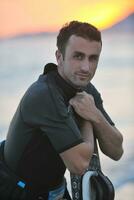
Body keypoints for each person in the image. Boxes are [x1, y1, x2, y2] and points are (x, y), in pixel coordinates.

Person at [2, 21, 123, 200]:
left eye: (93, 58)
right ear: (59, 57)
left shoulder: (86, 90)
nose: (86, 68)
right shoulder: (44, 95)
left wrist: (95, 115)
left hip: (56, 190)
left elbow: (116, 150)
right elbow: (79, 164)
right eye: (78, 56)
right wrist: (86, 119)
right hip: (17, 191)